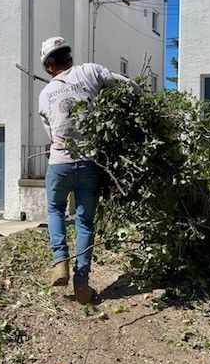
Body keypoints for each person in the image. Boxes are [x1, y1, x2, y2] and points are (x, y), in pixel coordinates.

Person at [38, 36, 139, 304]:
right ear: (69, 56)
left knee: (55, 210)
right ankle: (82, 284)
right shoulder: (90, 71)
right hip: (90, 162)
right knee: (84, 223)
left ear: (49, 66)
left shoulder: (46, 93)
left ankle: (60, 260)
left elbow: (50, 132)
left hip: (59, 162)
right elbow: (126, 85)